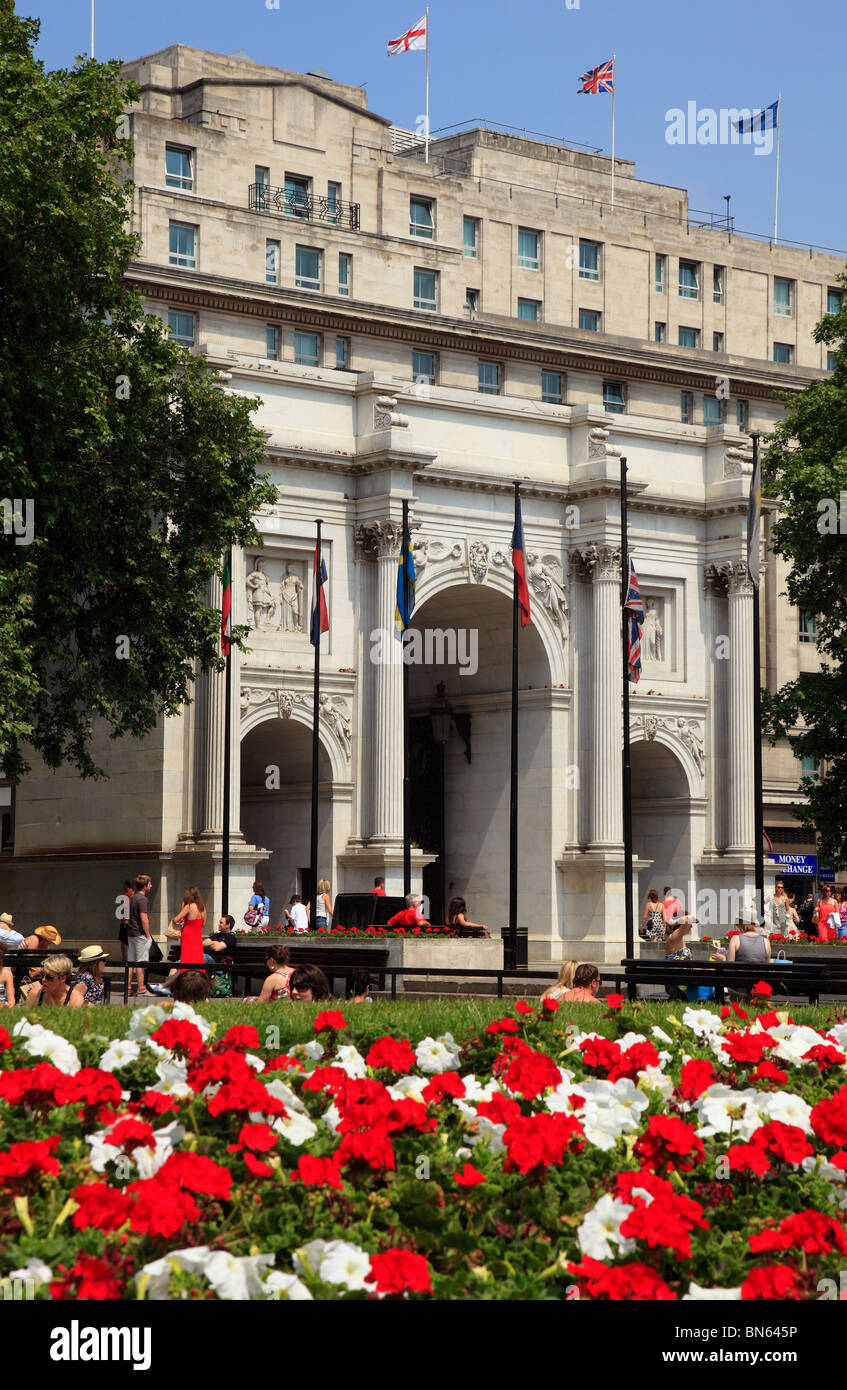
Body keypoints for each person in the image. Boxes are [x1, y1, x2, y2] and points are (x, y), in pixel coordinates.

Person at [150, 888, 206, 995]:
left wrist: (182, 908)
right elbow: (203, 924)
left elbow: (176, 919)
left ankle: (167, 986)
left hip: (188, 938)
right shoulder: (203, 908)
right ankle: (194, 989)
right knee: (197, 964)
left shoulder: (189, 906)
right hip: (197, 939)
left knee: (185, 964)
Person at [127, 875, 153, 996]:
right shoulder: (143, 899)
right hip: (140, 933)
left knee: (131, 961)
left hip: (131, 932)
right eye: (149, 884)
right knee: (140, 961)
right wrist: (148, 935)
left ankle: (128, 987)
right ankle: (141, 988)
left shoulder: (132, 897)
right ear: (145, 885)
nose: (151, 885)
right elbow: (144, 918)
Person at [117, 878, 133, 963]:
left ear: (126, 885)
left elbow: (126, 909)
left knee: (124, 942)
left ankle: (125, 958)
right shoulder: (133, 895)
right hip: (129, 921)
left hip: (125, 922)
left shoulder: (127, 895)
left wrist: (125, 920)